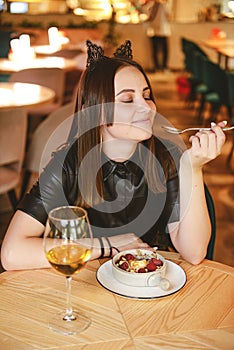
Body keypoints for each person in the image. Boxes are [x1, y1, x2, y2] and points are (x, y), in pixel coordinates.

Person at [1, 40, 226, 271]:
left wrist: (192, 167)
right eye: (128, 100)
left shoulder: (167, 156)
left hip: (151, 286)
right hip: (90, 288)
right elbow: (11, 253)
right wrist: (108, 245)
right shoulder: (68, 165)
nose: (147, 107)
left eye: (147, 96)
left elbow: (195, 252)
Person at [147, 0, 172, 72]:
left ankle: (156, 67)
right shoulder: (164, 6)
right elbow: (169, 16)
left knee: (155, 51)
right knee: (165, 50)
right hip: (163, 31)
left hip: (154, 31)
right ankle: (164, 67)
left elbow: (149, 17)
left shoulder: (152, 6)